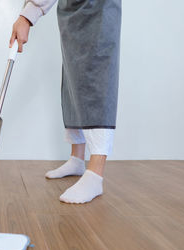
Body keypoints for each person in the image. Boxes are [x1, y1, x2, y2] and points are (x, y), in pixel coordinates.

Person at [10, 0, 122, 203]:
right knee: (74, 78)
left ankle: (95, 174)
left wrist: (28, 15)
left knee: (97, 75)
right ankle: (77, 159)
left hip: (98, 8)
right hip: (71, 10)